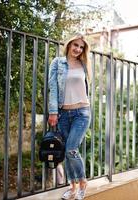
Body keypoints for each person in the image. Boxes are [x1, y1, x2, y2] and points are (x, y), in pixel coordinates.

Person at [48, 33, 92, 200]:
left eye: (81, 47)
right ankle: (72, 187)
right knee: (67, 152)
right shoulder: (57, 63)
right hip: (64, 113)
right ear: (69, 45)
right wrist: (53, 112)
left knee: (71, 149)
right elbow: (53, 88)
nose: (78, 49)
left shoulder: (84, 64)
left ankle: (82, 182)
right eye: (75, 45)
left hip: (82, 112)